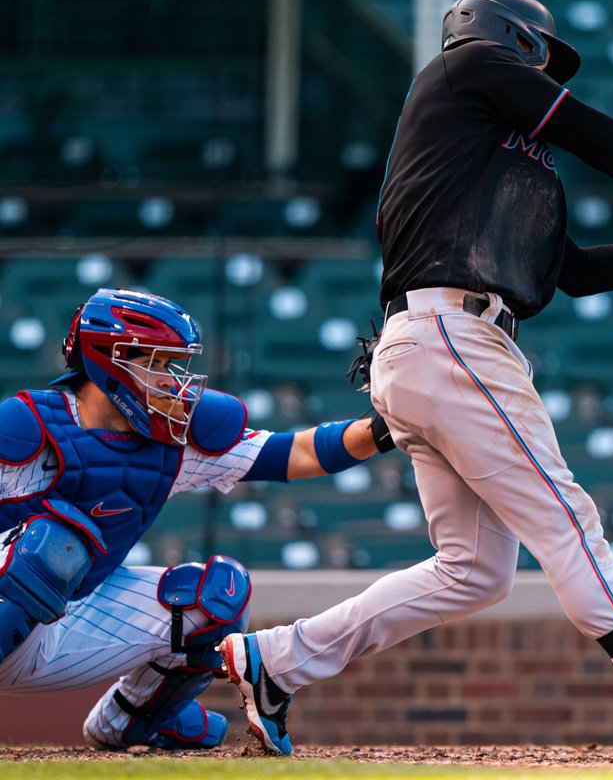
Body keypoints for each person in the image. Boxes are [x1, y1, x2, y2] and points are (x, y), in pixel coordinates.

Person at [221, 0, 613, 760]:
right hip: (450, 337)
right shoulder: (463, 71)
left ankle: (281, 659)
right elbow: (591, 132)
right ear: (507, 39)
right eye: (540, 57)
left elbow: (571, 274)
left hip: (436, 347)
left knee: (474, 571)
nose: (547, 75)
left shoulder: (499, 162)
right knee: (566, 517)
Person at [0, 287, 390, 750]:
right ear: (112, 359)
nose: (172, 382)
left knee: (217, 596)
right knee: (48, 550)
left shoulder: (170, 442)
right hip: (13, 597)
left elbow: (298, 453)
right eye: (159, 364)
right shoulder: (26, 427)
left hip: (67, 621)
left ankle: (128, 721)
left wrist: (389, 427)